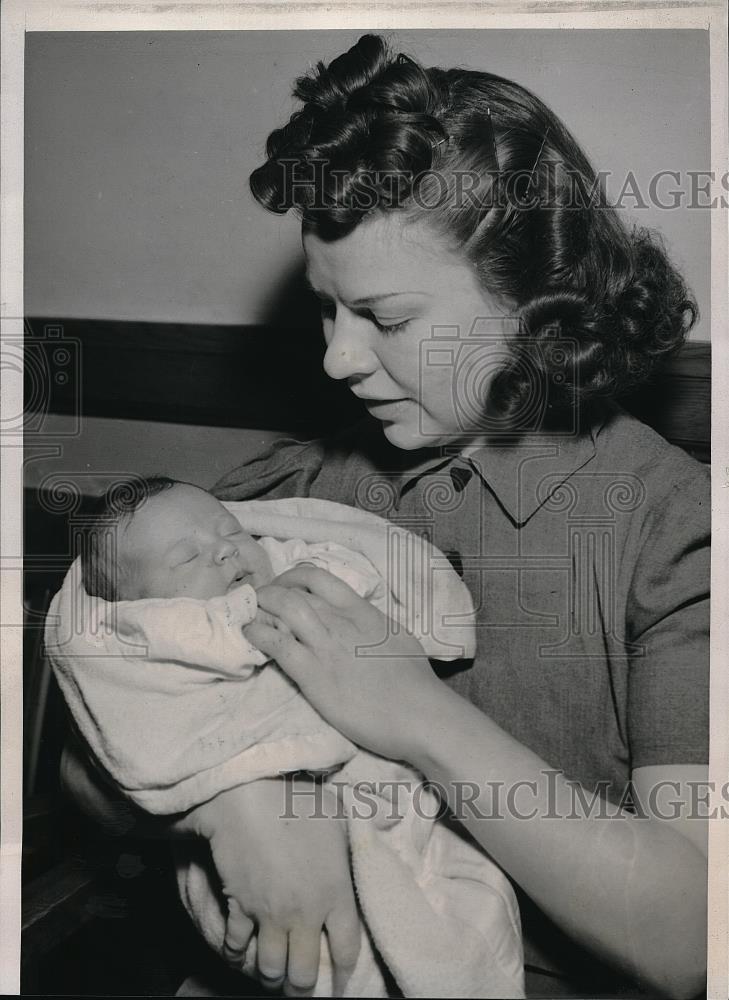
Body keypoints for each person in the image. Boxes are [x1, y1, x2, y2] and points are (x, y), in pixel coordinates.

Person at [62, 33, 709, 999]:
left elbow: (692, 938)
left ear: (537, 302)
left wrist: (414, 714)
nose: (336, 361)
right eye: (326, 312)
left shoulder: (669, 530)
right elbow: (88, 757)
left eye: (386, 320)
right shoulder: (301, 485)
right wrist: (238, 804)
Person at [49, 476, 524, 996]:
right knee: (333, 962)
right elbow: (103, 747)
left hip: (399, 802)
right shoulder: (166, 630)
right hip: (252, 864)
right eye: (188, 558)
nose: (226, 548)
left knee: (467, 912)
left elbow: (354, 572)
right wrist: (236, 802)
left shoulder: (285, 562)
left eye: (232, 531)